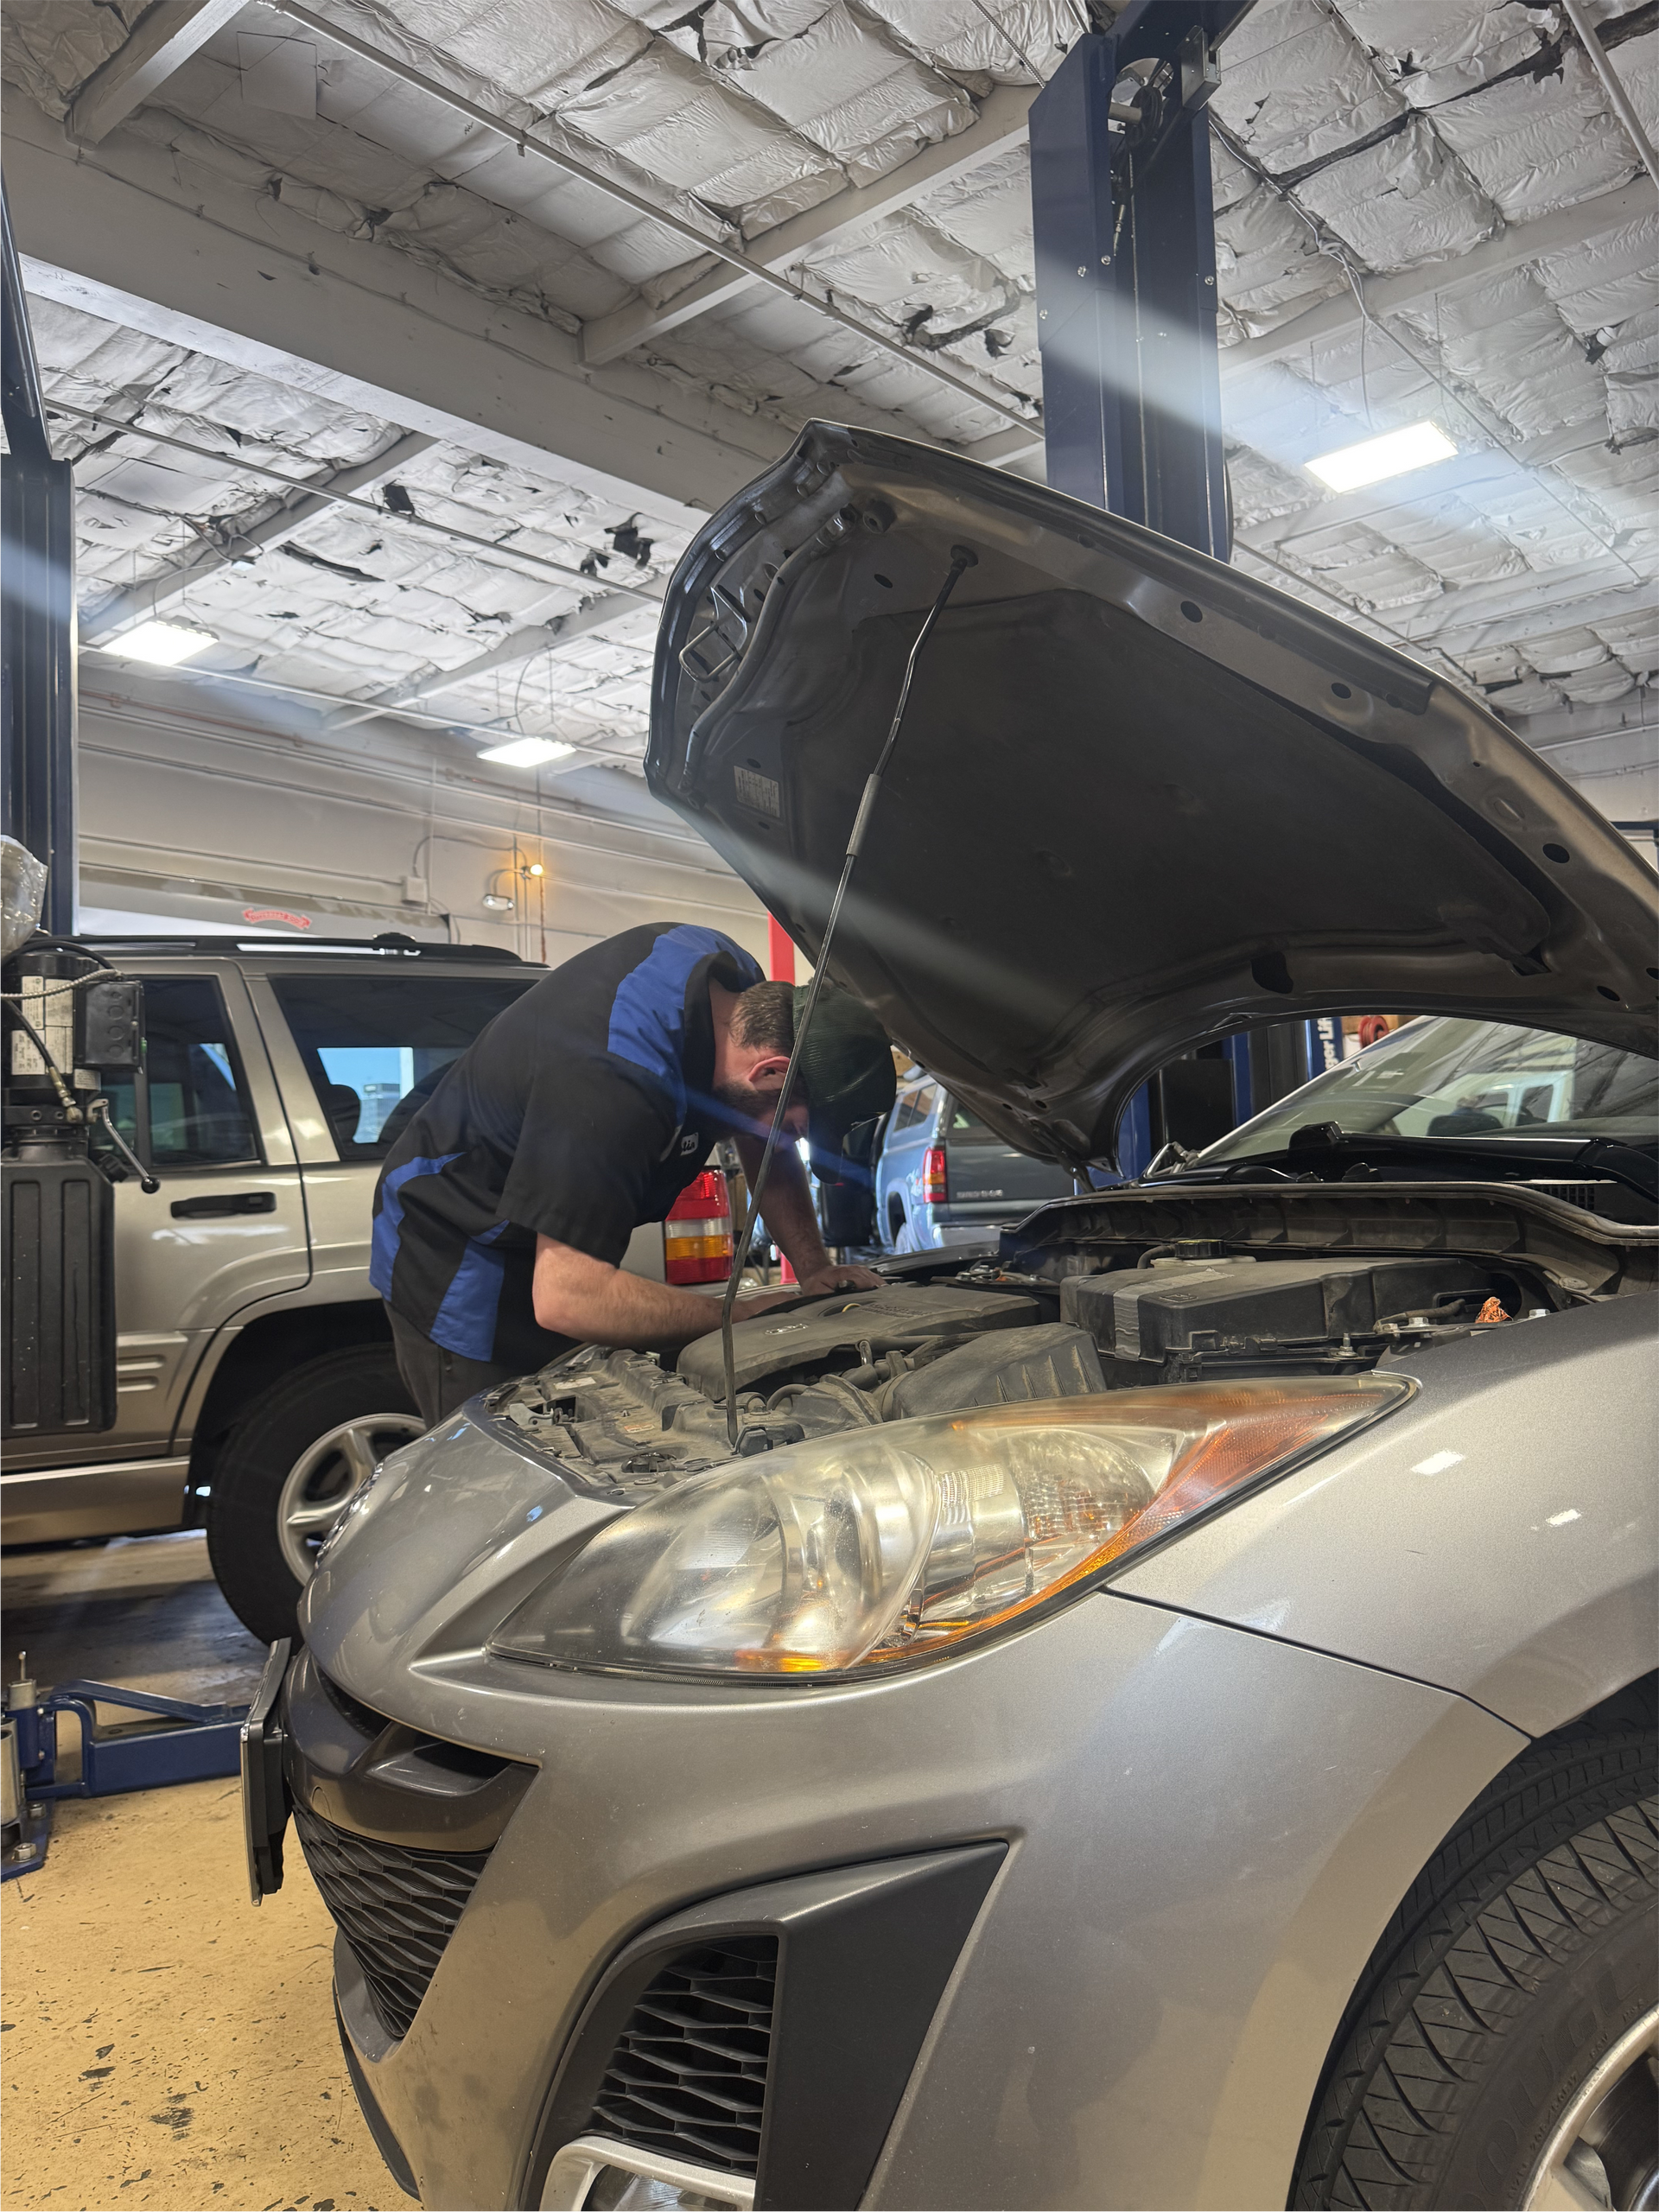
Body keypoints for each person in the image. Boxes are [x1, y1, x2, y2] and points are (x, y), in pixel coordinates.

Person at [371, 921, 895, 1426]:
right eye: (803, 1128)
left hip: (550, 1242)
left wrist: (812, 1269)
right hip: (460, 1248)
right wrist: (745, 1313)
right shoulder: (613, 1078)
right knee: (501, 1471)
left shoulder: (740, 989)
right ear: (770, 1070)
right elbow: (569, 1297)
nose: (794, 1142)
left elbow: (764, 1133)